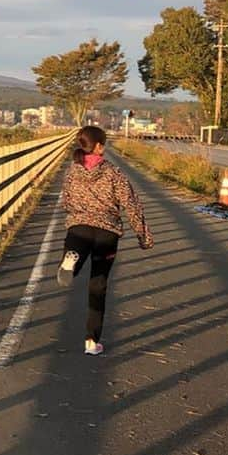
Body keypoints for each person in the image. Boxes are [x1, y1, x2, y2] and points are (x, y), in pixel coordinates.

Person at [58, 126, 153, 355]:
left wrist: (78, 213)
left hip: (78, 228)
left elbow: (66, 201)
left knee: (75, 257)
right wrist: (143, 236)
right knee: (98, 286)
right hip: (107, 232)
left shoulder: (72, 171)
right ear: (99, 146)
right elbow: (131, 204)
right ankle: (92, 341)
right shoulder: (113, 172)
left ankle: (71, 260)